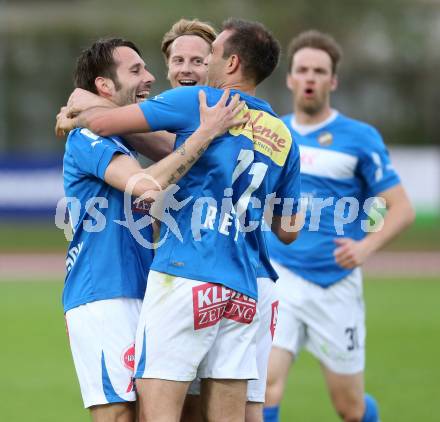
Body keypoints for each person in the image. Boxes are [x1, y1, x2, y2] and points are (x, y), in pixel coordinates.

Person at [57, 18, 301, 422]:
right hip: (246, 282)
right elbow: (289, 229)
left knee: (159, 413)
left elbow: (103, 126)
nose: (198, 67)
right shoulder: (282, 132)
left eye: (210, 56)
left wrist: (80, 107)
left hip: (186, 272)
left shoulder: (199, 103)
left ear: (232, 62)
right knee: (236, 413)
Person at [263, 30, 415, 422]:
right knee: (264, 388)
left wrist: (365, 246)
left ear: (333, 81)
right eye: (302, 70)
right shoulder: (272, 134)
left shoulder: (360, 138)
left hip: (335, 284)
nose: (310, 77)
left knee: (349, 408)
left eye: (319, 71)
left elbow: (399, 208)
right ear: (290, 78)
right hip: (281, 276)